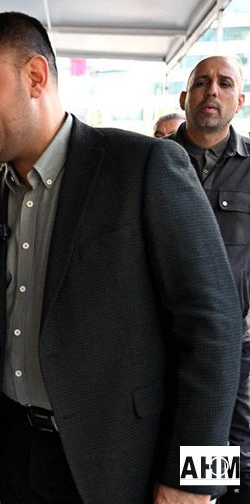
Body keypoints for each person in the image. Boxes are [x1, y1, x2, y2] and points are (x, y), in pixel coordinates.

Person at [0, 11, 242, 504]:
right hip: (20, 458)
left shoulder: (142, 167)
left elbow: (215, 326)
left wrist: (194, 482)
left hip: (124, 463)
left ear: (36, 77)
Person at [168, 55, 249, 503]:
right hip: (159, 343)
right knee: (160, 450)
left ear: (240, 99)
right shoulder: (149, 162)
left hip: (234, 350)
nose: (211, 91)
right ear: (185, 98)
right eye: (201, 82)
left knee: (224, 457)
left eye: (224, 83)